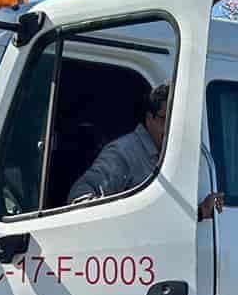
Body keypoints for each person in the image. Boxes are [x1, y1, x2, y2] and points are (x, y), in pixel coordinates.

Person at [70, 83, 225, 221]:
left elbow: (165, 217)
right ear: (149, 118)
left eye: (178, 121)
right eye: (166, 119)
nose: (173, 128)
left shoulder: (171, 156)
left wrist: (202, 211)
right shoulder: (124, 153)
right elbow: (78, 201)